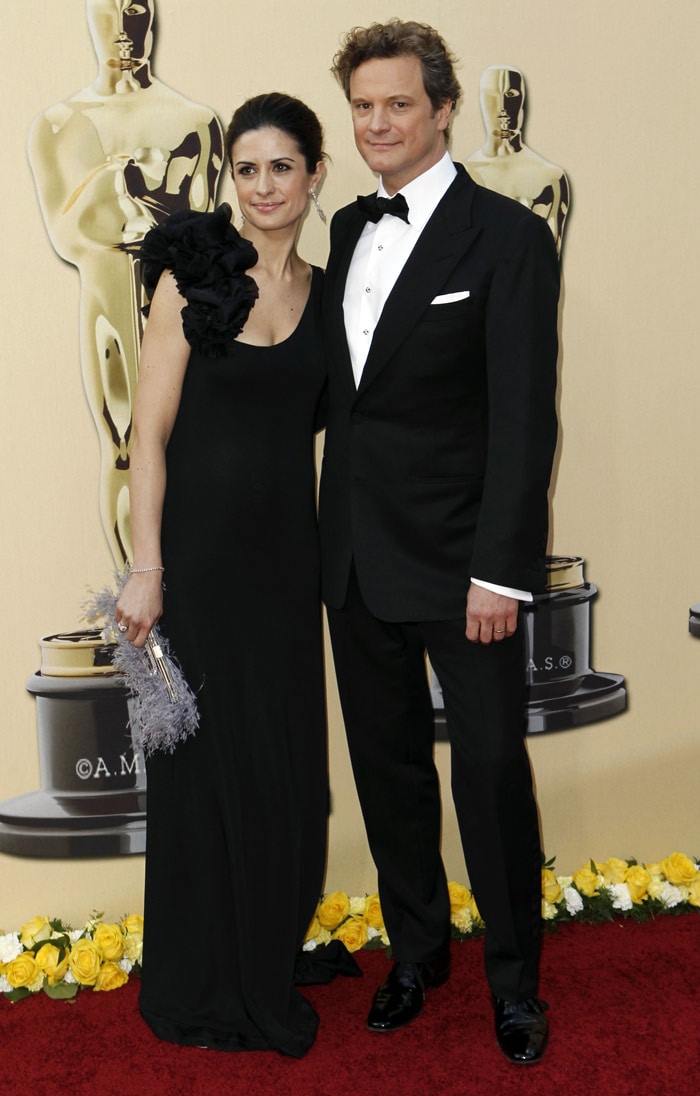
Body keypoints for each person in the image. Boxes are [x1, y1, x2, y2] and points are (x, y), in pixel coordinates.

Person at [319, 20, 560, 1064]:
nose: (377, 123)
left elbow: (523, 416)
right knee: (388, 769)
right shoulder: (340, 228)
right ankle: (416, 950)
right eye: (363, 106)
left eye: (398, 105)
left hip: (468, 566)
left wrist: (500, 568)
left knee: (492, 772)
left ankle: (515, 979)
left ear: (443, 108)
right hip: (356, 558)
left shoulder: (507, 236)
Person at [114, 92, 354, 1057]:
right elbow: (150, 432)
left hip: (288, 564)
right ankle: (204, 973)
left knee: (283, 771)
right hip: (199, 564)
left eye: (281, 168)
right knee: (204, 769)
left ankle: (263, 941)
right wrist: (145, 567)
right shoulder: (190, 276)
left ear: (314, 176)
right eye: (246, 169)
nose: (262, 187)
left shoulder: (334, 295)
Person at [28, 0, 223, 564]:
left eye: (135, 8)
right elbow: (69, 233)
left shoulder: (195, 120)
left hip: (179, 300)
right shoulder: (59, 124)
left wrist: (131, 200)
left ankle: (188, 602)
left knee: (190, 440)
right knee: (123, 444)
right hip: (109, 299)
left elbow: (200, 225)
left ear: (152, 17)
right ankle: (135, 616)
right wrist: (124, 178)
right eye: (109, 9)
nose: (122, 23)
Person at [466, 64, 569, 255]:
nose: (502, 108)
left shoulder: (549, 177)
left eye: (511, 95)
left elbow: (551, 265)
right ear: (481, 101)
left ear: (523, 101)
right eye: (491, 96)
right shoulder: (462, 175)